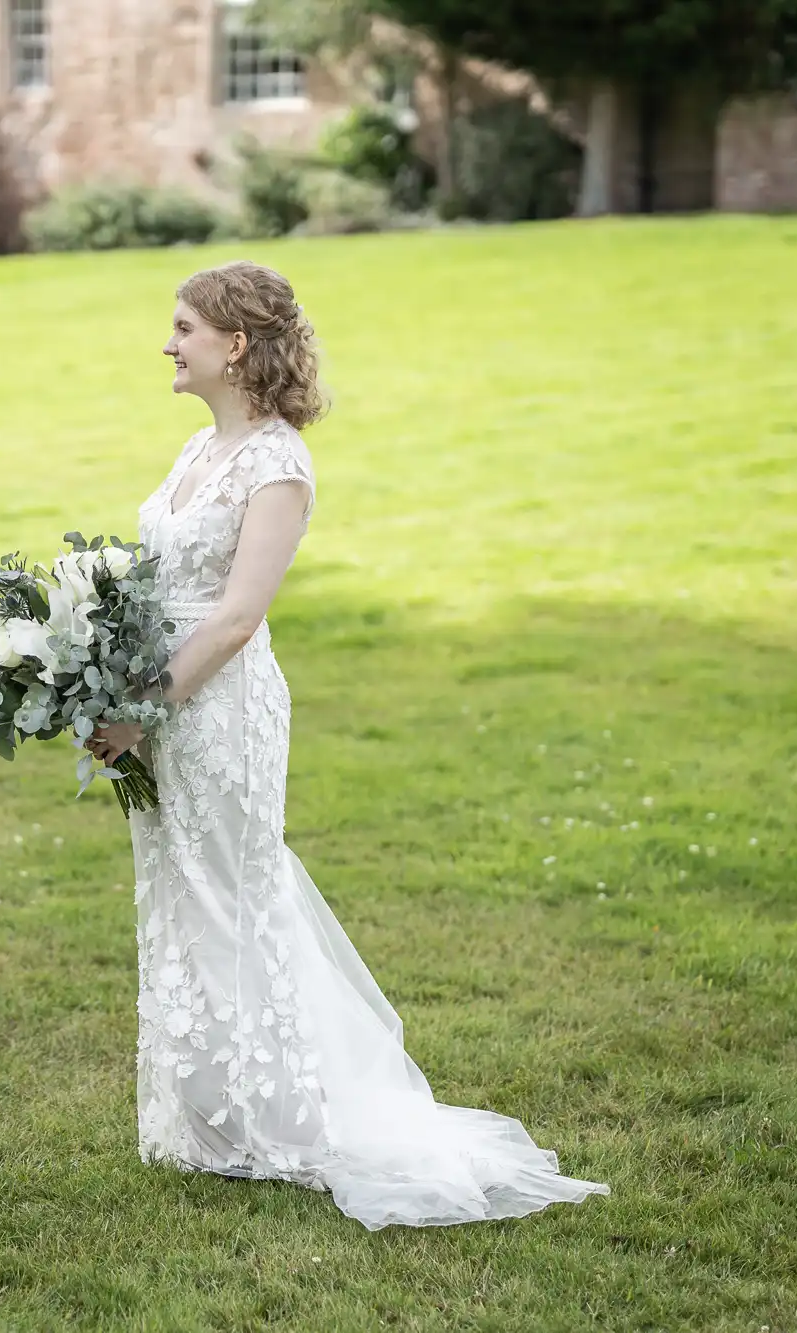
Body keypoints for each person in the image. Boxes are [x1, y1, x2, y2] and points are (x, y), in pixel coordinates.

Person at [86, 261, 607, 1229]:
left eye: (182, 327)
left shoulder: (275, 463)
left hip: (216, 708)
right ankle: (207, 1118)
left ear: (233, 344)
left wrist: (141, 708)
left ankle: (276, 1120)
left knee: (232, 891)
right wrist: (90, 668)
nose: (167, 344)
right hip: (160, 701)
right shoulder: (194, 451)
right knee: (176, 887)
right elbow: (149, 584)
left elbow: (238, 616)